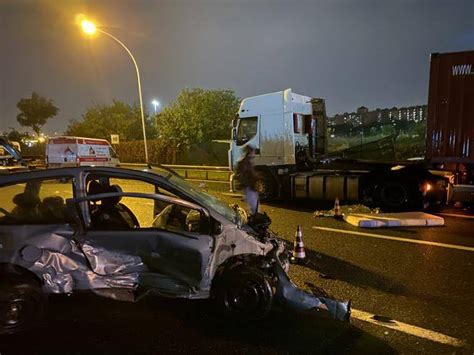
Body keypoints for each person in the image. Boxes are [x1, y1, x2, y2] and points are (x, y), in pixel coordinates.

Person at [236, 145, 259, 215]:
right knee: (253, 206)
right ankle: (253, 221)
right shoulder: (245, 162)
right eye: (253, 152)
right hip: (249, 186)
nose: (254, 153)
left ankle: (253, 218)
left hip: (250, 186)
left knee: (254, 205)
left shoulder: (247, 161)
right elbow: (244, 175)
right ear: (250, 152)